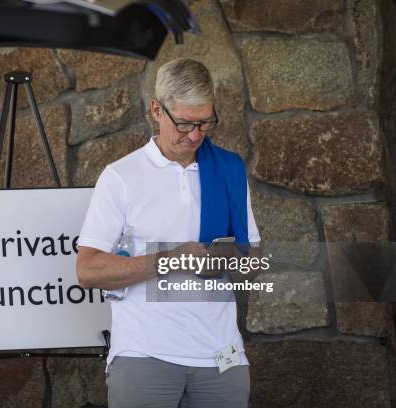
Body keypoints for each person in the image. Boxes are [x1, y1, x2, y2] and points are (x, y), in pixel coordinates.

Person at [76, 58, 261, 408]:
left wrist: (231, 263)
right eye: (184, 123)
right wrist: (169, 260)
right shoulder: (121, 177)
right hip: (144, 354)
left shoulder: (229, 169)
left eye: (205, 123)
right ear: (156, 110)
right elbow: (87, 271)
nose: (194, 136)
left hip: (222, 357)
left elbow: (253, 265)